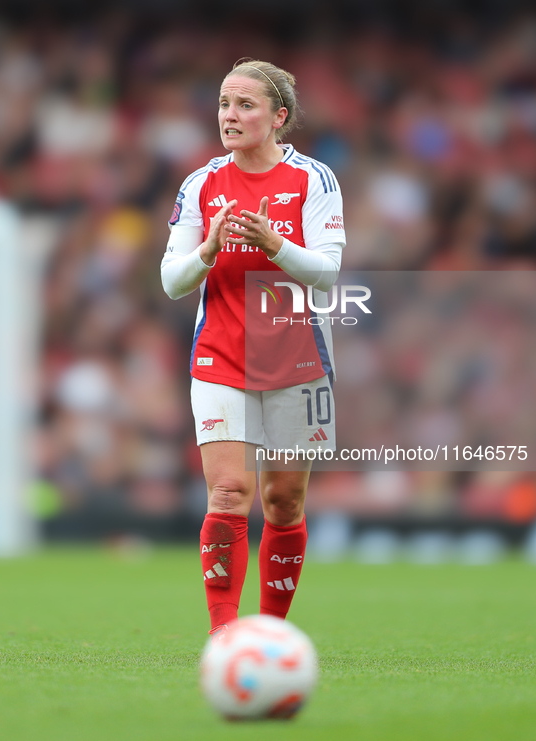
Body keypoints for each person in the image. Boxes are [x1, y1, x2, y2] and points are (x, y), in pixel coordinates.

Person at [161, 59, 346, 636]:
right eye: (224, 104)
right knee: (229, 489)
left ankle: (270, 632)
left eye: (245, 105)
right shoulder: (201, 184)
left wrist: (276, 244)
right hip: (221, 353)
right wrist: (208, 250)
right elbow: (171, 280)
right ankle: (224, 634)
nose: (230, 116)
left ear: (278, 117)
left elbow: (329, 273)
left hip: (297, 357)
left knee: (284, 501)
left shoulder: (314, 180)